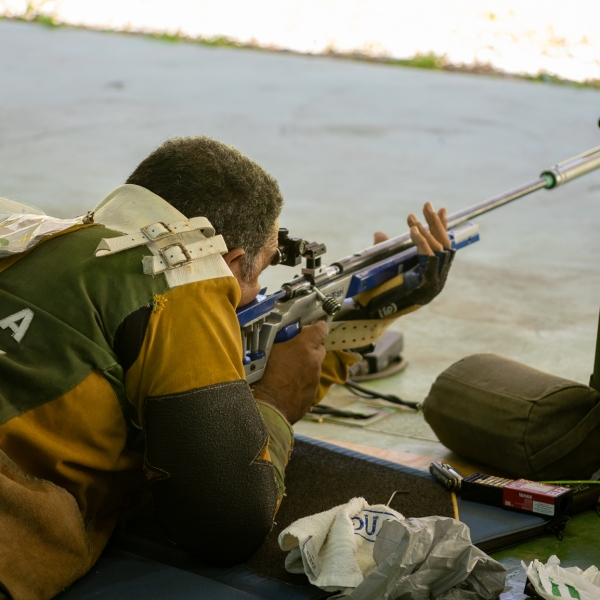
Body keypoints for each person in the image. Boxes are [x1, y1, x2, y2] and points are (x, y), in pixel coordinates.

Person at [0, 136, 452, 600]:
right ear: (231, 262)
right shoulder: (179, 282)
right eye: (262, 271)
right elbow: (228, 524)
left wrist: (360, 322)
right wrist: (276, 401)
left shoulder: (25, 232)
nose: (255, 295)